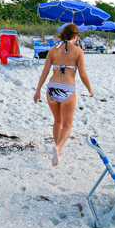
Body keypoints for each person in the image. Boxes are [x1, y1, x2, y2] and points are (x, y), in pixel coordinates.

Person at [33, 23, 95, 166]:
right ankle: (59, 147)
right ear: (75, 36)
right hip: (67, 88)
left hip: (52, 88)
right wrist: (90, 89)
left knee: (57, 121)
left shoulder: (52, 50)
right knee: (67, 125)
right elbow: (82, 74)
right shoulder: (78, 51)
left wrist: (38, 90)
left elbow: (45, 71)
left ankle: (57, 147)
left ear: (62, 35)